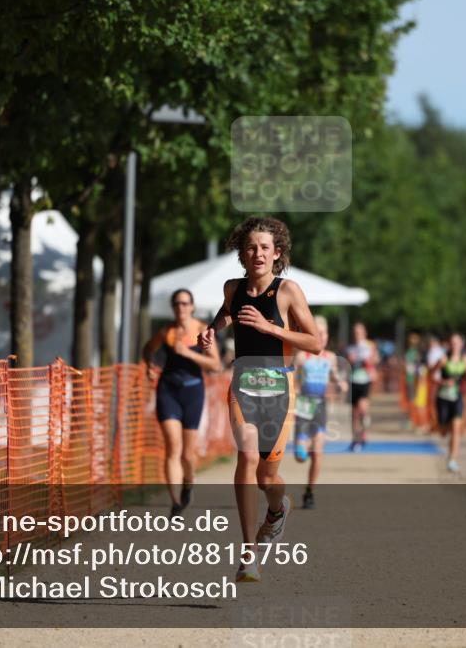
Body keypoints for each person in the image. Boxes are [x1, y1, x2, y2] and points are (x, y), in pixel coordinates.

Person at [199, 216, 321, 583]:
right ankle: (248, 551)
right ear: (242, 253)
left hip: (279, 388)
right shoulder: (232, 289)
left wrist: (271, 328)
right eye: (251, 247)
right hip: (243, 384)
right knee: (248, 456)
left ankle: (278, 509)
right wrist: (211, 330)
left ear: (277, 253)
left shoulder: (288, 292)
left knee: (268, 479)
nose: (258, 254)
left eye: (265, 248)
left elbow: (315, 343)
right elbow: (227, 313)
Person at [142, 289, 222, 517]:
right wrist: (150, 365)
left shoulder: (202, 330)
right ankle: (176, 502)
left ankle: (189, 481)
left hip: (193, 392)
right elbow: (148, 349)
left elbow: (215, 364)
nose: (181, 308)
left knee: (187, 454)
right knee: (172, 446)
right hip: (168, 390)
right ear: (173, 307)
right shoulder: (166, 331)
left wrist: (188, 353)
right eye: (177, 304)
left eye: (185, 303)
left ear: (192, 307)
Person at [293, 315, 345, 509]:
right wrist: (293, 391)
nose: (322, 337)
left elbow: (335, 377)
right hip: (304, 405)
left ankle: (310, 492)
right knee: (300, 456)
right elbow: (293, 380)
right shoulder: (301, 357)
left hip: (321, 406)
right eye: (318, 333)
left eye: (324, 333)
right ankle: (303, 447)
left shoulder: (330, 358)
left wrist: (340, 384)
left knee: (318, 452)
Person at [434, 333, 466, 473]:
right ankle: (443, 429)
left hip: (458, 397)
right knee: (443, 432)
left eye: (457, 343)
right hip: (443, 397)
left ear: (461, 344)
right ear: (449, 345)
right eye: (452, 343)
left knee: (456, 429)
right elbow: (431, 376)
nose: (454, 345)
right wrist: (443, 382)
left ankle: (452, 460)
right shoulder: (443, 359)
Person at [345, 322, 378, 451]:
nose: (356, 334)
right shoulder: (350, 348)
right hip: (353, 381)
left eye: (359, 332)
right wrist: (350, 361)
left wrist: (368, 362)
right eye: (355, 332)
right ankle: (355, 439)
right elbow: (346, 365)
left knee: (363, 409)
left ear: (364, 333)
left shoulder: (370, 346)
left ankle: (363, 433)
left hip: (365, 380)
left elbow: (375, 360)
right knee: (354, 414)